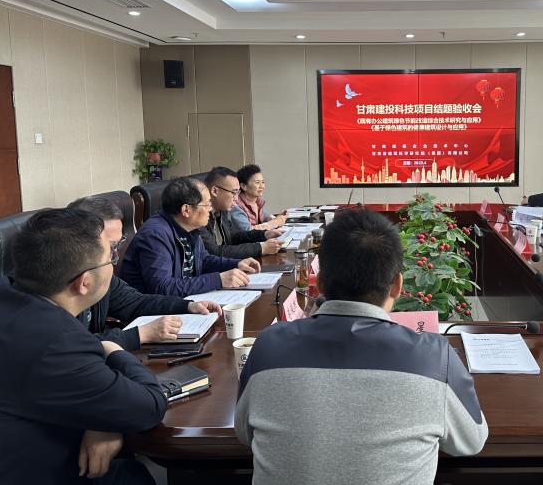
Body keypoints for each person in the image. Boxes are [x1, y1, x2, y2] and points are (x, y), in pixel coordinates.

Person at [235, 209, 488, 484]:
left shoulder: (269, 347)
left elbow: (244, 432)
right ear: (397, 286)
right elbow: (471, 441)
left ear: (320, 283)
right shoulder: (434, 357)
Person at [0, 208, 167, 484]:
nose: (114, 263)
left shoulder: (10, 295)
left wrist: (101, 418)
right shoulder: (58, 342)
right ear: (84, 282)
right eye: (111, 257)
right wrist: (114, 350)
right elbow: (150, 405)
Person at [68, 196, 222, 350]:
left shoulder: (103, 274)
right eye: (111, 246)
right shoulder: (61, 286)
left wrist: (187, 306)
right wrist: (141, 334)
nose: (113, 256)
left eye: (117, 246)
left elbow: (136, 302)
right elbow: (72, 347)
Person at [120, 177, 260, 297]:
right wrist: (218, 280)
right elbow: (162, 288)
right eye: (207, 204)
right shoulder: (155, 235)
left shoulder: (190, 227)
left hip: (183, 301)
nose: (210, 209)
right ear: (186, 210)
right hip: (154, 313)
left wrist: (235, 264)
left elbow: (203, 260)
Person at [198, 167, 284, 259]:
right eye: (233, 193)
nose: (236, 198)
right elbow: (215, 252)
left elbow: (234, 236)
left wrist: (264, 234)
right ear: (215, 191)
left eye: (237, 193)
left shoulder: (221, 210)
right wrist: (260, 248)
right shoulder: (198, 217)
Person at [231, 164, 287, 232]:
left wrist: (278, 218)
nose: (262, 186)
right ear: (243, 186)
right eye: (257, 183)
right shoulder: (236, 207)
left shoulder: (257, 202)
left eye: (263, 182)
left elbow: (266, 218)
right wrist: (275, 222)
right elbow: (248, 231)